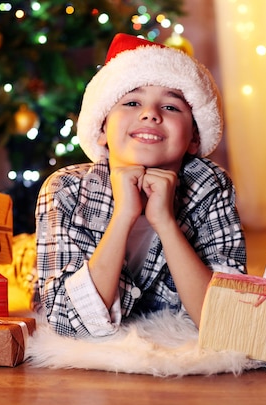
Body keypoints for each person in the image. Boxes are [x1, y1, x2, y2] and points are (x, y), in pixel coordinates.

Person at [34, 33, 246, 338]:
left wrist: (165, 222)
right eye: (131, 102)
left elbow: (228, 322)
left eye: (172, 108)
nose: (150, 114)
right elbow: (69, 323)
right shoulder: (66, 190)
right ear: (102, 128)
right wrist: (123, 216)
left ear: (195, 137)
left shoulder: (210, 186)